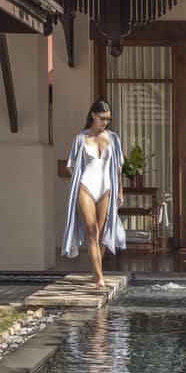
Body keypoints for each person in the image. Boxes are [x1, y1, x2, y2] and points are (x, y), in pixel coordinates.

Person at [61, 99, 125, 287]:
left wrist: (120, 190)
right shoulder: (80, 139)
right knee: (91, 232)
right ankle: (99, 276)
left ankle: (96, 271)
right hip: (85, 188)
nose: (105, 122)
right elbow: (72, 166)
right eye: (103, 118)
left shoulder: (113, 138)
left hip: (106, 189)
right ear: (93, 116)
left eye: (108, 119)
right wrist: (80, 184)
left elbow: (119, 166)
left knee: (101, 233)